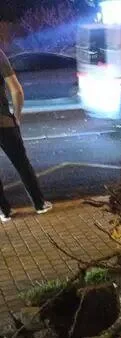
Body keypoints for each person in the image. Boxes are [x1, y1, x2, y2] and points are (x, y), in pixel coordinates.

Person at [0, 48, 52, 222]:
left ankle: (4, 211)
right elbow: (16, 90)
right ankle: (39, 204)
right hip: (3, 122)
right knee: (22, 163)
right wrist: (16, 116)